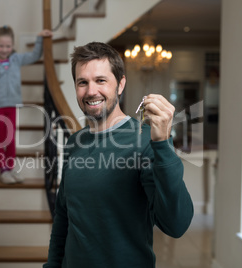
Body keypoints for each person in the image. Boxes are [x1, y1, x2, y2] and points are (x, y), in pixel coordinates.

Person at [43, 42, 193, 268]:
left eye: (101, 80)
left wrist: (162, 143)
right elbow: (64, 218)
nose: (91, 91)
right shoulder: (75, 142)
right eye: (82, 82)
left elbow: (176, 224)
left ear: (120, 84)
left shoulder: (145, 141)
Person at [0, 25, 52, 184]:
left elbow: (35, 56)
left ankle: (11, 167)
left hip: (12, 105)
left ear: (13, 45)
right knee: (1, 139)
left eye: (8, 46)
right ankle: (3, 170)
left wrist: (40, 38)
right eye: (1, 45)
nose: (4, 49)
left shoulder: (16, 59)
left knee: (11, 138)